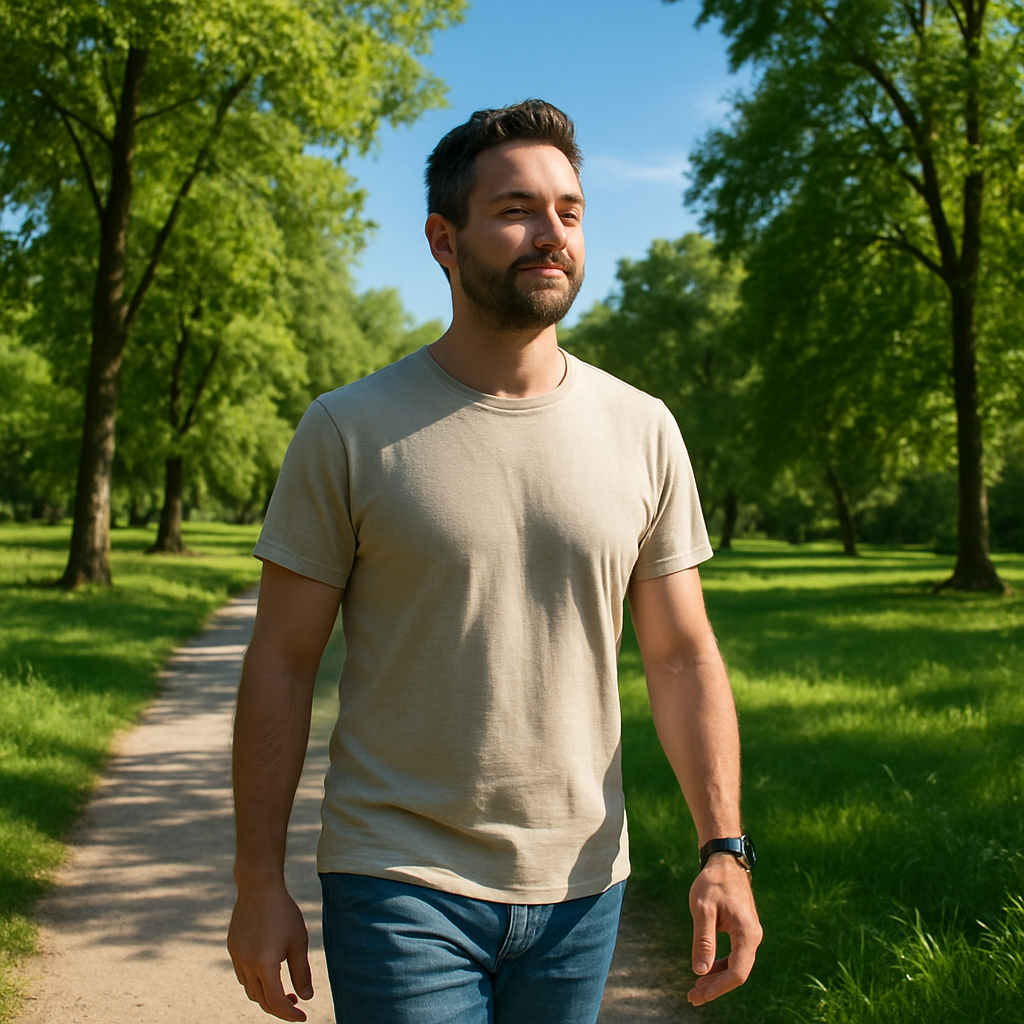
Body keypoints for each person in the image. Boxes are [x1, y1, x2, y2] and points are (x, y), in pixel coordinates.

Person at [227, 99, 761, 1024]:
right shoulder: (348, 430)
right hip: (399, 876)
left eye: (569, 210)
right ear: (444, 238)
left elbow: (682, 655)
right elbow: (280, 661)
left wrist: (725, 848)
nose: (549, 232)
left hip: (584, 888)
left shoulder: (644, 429)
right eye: (516, 208)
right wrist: (256, 880)